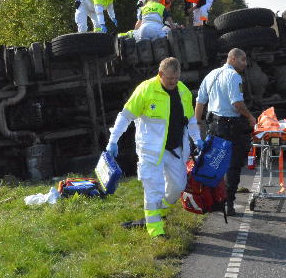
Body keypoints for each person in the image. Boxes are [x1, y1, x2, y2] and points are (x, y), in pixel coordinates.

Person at [105, 57, 202, 238]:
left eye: (176, 78)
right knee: (153, 188)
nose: (173, 82)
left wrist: (197, 139)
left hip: (175, 151)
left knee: (178, 187)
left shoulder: (183, 92)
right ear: (160, 74)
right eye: (169, 79)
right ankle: (155, 230)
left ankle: (159, 211)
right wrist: (113, 140)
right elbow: (125, 116)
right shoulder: (146, 90)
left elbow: (190, 120)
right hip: (151, 151)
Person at [195, 48, 257, 216]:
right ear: (233, 59)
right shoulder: (234, 77)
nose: (245, 63)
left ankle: (213, 201)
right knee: (233, 165)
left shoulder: (211, 75)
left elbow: (200, 101)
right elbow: (237, 104)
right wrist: (251, 117)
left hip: (213, 125)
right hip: (230, 126)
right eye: (243, 60)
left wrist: (197, 124)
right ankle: (229, 203)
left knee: (215, 164)